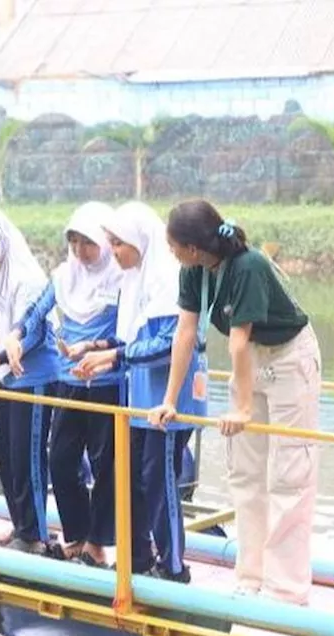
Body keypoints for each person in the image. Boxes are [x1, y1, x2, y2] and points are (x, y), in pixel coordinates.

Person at [151, 198, 321, 605]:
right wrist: (169, 400)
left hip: (287, 357)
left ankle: (286, 590)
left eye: (173, 244)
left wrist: (242, 409)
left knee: (288, 475)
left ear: (193, 247)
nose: (170, 251)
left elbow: (240, 341)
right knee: (245, 475)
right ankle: (251, 577)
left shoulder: (248, 266)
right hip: (251, 362)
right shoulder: (192, 271)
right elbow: (185, 334)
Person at [74, 201, 207, 583]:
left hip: (169, 399)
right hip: (138, 400)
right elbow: (130, 338)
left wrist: (115, 356)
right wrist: (97, 350)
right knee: (130, 476)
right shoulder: (134, 281)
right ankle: (136, 557)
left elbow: (170, 343)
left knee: (159, 479)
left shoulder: (166, 279)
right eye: (111, 243)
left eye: (118, 244)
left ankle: (174, 567)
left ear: (138, 240)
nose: (113, 252)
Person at [5, 202, 125, 566]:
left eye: (87, 243)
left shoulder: (122, 279)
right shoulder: (63, 276)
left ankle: (97, 545)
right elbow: (36, 312)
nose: (80, 252)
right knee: (60, 459)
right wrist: (15, 333)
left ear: (104, 243)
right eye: (73, 243)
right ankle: (76, 533)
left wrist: (98, 353)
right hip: (70, 382)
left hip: (108, 383)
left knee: (106, 465)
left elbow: (129, 334)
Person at [0, 207, 58, 554]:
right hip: (8, 376)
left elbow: (31, 332)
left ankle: (34, 535)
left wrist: (0, 353)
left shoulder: (27, 277)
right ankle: (20, 524)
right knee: (4, 451)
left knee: (27, 455)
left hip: (34, 376)